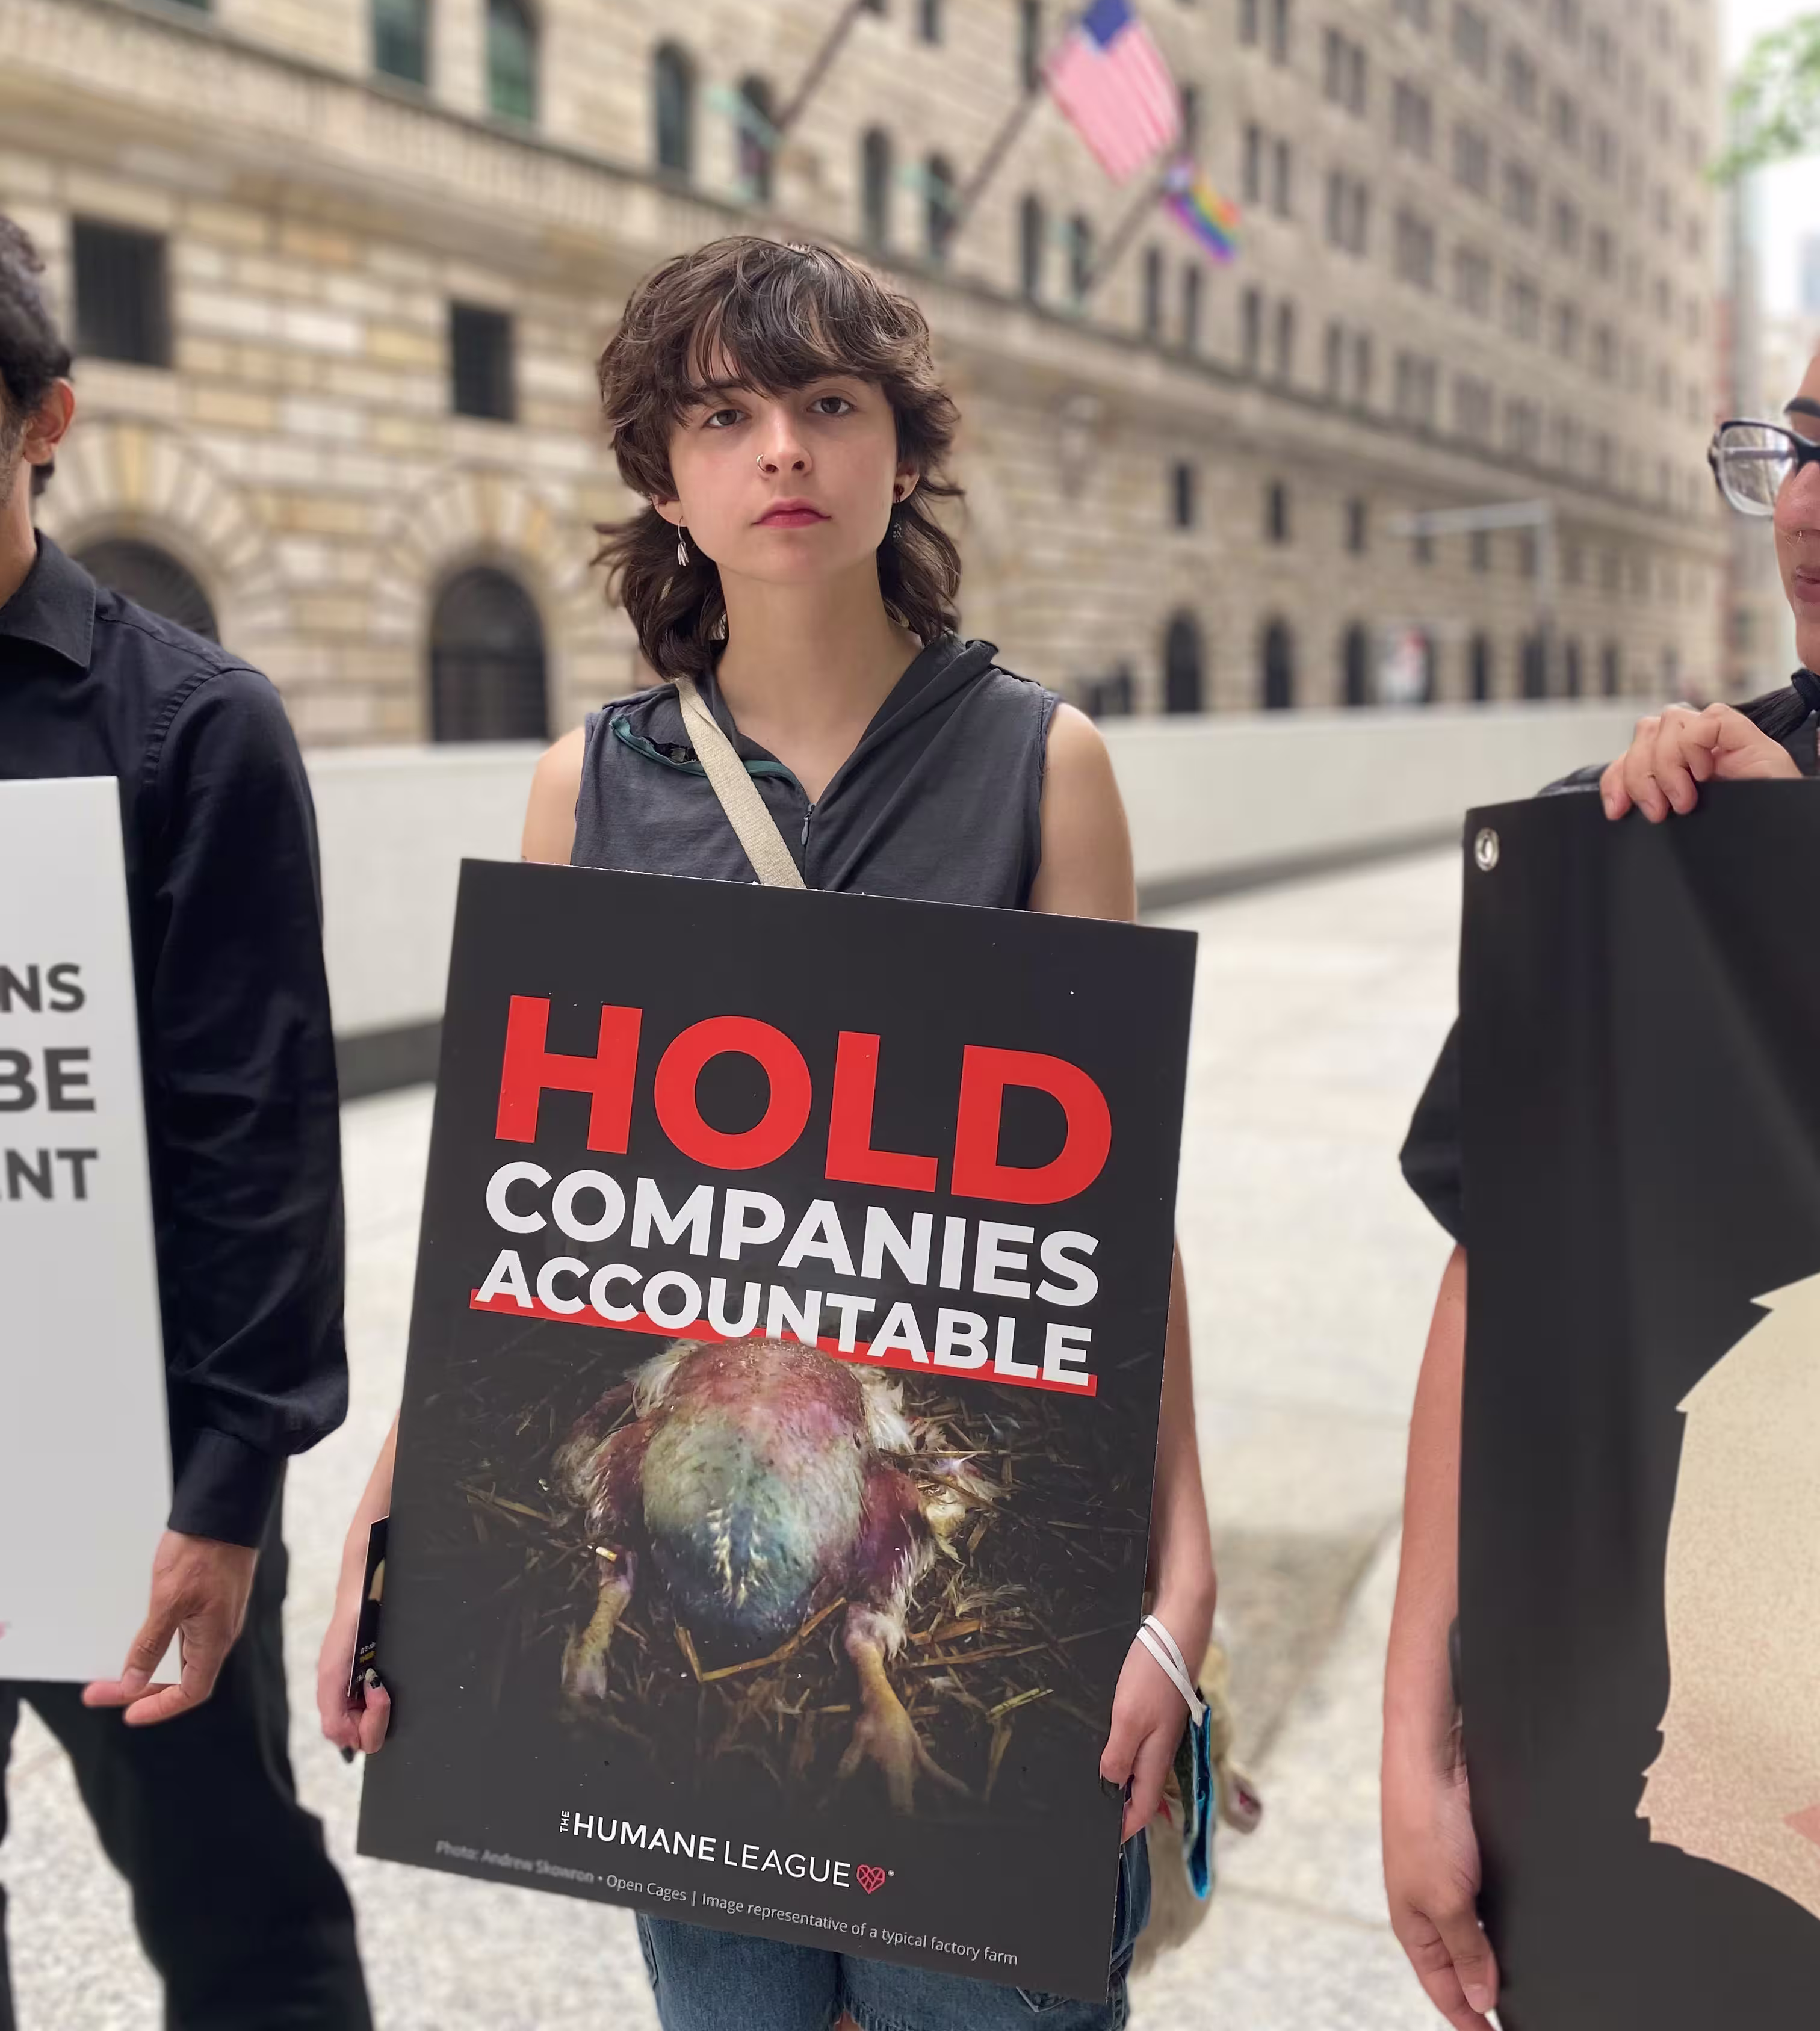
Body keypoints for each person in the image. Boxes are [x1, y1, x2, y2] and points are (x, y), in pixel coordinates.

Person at [318, 233, 1218, 2029]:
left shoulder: (1045, 765)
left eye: (828, 403)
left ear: (903, 445)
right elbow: (536, 1216)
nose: (783, 452)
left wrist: (1183, 1577)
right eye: (725, 414)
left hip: (968, 1546)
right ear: (665, 476)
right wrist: (389, 1515)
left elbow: (1116, 1219)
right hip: (688, 1545)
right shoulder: (593, 779)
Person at [1381, 382, 1820, 2029]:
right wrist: (1417, 1734)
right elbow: (1501, 1274)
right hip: (1679, 1814)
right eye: (1802, 445)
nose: (1810, 502)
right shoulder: (1647, 840)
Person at [0, 215, 371, 2030]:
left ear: (40, 420)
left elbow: (261, 1136)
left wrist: (225, 1500)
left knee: (237, 1920)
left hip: (119, 1456)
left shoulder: (190, 727)